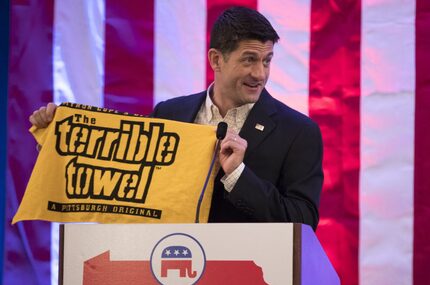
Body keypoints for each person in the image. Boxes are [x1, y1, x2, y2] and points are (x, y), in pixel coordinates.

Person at [30, 7, 323, 230]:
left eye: (267, 60)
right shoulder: (168, 115)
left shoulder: (299, 132)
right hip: (168, 268)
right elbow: (128, 184)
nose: (260, 74)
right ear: (216, 60)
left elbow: (303, 222)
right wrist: (62, 146)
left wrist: (237, 176)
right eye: (249, 59)